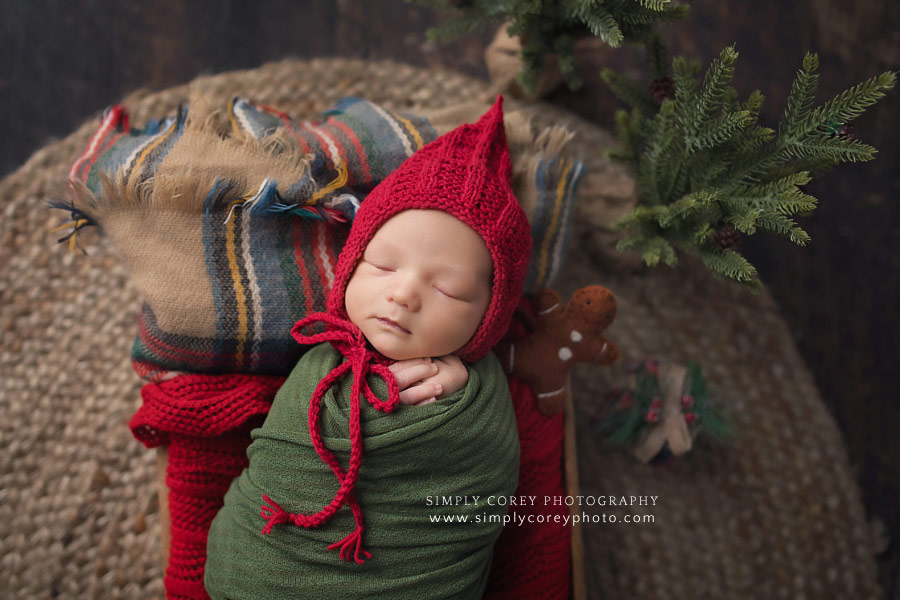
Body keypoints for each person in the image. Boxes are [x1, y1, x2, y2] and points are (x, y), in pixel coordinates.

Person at [204, 97, 532, 599]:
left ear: (488, 319)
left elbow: (480, 487)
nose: (403, 294)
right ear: (353, 262)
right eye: (382, 266)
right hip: (265, 564)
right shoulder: (319, 359)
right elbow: (282, 455)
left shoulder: (480, 398)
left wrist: (457, 401)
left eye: (448, 291)